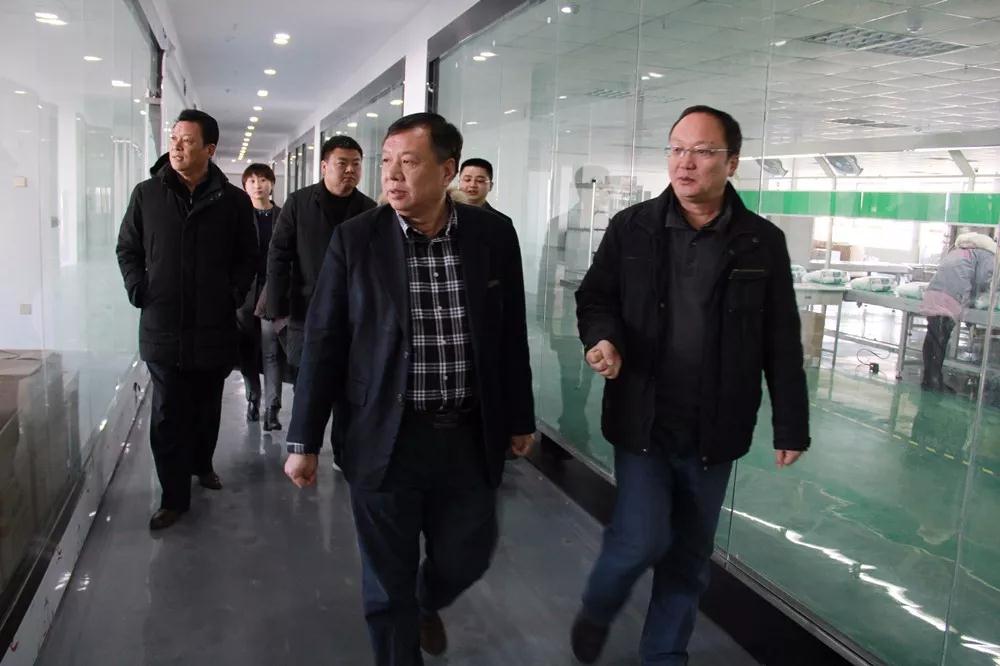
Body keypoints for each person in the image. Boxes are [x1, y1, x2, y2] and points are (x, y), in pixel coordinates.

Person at [283, 112, 536, 666]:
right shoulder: (357, 239)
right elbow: (324, 341)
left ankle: (426, 601)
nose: (392, 175)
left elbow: (509, 334)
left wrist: (520, 416)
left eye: (409, 162)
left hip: (467, 435)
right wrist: (303, 439)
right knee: (386, 582)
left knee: (468, 555)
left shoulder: (493, 236)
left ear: (447, 170)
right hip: (383, 434)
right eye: (387, 162)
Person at [571, 105, 810, 664]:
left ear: (732, 162)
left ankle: (664, 656)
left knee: (688, 555)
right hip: (644, 415)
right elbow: (595, 297)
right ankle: (599, 606)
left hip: (716, 425)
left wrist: (791, 424)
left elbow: (781, 338)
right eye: (677, 149)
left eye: (702, 152)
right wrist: (602, 339)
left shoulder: (762, 241)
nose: (685, 162)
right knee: (640, 539)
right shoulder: (632, 227)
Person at [116, 109, 257, 530]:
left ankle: (202, 464)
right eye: (174, 138)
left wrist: (232, 294)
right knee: (168, 414)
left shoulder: (233, 201)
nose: (176, 146)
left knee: (207, 406)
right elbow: (127, 248)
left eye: (187, 140)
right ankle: (173, 497)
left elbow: (248, 256)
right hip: (162, 325)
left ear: (209, 149)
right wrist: (139, 288)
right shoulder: (147, 194)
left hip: (214, 326)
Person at [265, 135, 376, 376]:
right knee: (307, 384)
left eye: (356, 164)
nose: (350, 169)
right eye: (342, 163)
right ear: (324, 166)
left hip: (351, 314)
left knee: (348, 383)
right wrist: (277, 311)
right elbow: (278, 255)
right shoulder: (299, 203)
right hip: (305, 311)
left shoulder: (369, 209)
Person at [237, 163, 285, 430]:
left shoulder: (284, 215)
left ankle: (272, 409)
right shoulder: (239, 217)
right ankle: (253, 398)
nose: (258, 185)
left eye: (263, 180)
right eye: (252, 181)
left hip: (272, 293)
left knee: (271, 351)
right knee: (247, 350)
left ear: (272, 184)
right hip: (245, 293)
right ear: (245, 186)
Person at [921, 231, 996, 392]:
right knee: (940, 339)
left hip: (933, 294)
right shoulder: (988, 255)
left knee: (932, 337)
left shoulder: (960, 251)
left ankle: (928, 378)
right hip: (952, 296)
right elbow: (982, 279)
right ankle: (935, 381)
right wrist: (980, 297)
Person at [457, 157, 512, 224]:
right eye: (467, 180)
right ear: (459, 183)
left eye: (480, 181)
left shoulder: (503, 222)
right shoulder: (447, 215)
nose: (472, 185)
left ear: (490, 186)